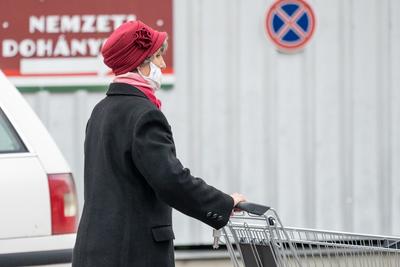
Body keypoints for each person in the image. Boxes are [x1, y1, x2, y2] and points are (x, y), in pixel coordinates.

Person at [72, 20, 246, 267]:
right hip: (133, 253)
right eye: (157, 57)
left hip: (95, 250)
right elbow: (171, 180)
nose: (162, 65)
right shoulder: (144, 114)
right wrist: (224, 204)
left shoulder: (100, 111)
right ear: (140, 64)